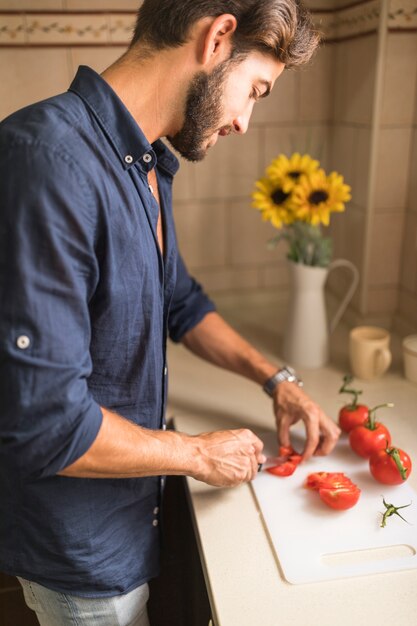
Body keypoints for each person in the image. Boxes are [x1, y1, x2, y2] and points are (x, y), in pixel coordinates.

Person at [0, 1, 341, 624]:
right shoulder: (47, 160)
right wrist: (197, 455)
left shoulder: (147, 162)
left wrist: (277, 380)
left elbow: (178, 299)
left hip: (132, 522)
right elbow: (45, 422)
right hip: (82, 557)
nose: (244, 120)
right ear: (217, 38)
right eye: (256, 90)